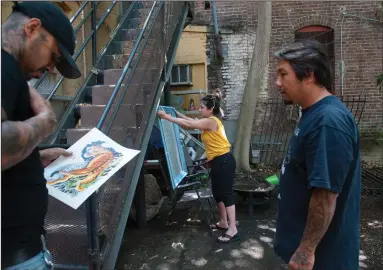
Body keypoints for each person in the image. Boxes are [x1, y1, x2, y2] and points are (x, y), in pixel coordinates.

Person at [1, 2, 81, 269]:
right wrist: (44, 122)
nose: (50, 69)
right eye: (54, 56)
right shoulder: (5, 69)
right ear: (33, 28)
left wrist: (33, 157)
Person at [272, 39, 361, 270]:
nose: (277, 82)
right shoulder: (312, 113)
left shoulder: (327, 122)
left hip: (322, 261)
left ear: (309, 75)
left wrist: (305, 251)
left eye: (283, 74)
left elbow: (325, 195)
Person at [157, 89, 239, 243]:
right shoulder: (208, 121)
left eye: (202, 107)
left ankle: (233, 228)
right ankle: (223, 221)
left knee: (226, 194)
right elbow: (190, 120)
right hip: (217, 161)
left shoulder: (211, 121)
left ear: (209, 109)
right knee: (218, 193)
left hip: (224, 161)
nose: (200, 109)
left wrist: (166, 117)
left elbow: (189, 124)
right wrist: (175, 113)